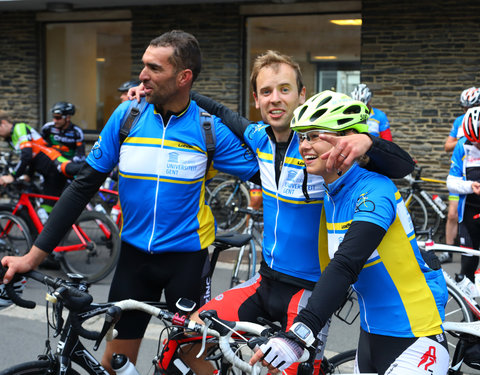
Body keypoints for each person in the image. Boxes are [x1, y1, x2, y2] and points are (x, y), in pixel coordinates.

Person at [127, 51, 415, 374]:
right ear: (256, 99)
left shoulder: (321, 150)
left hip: (309, 292)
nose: (275, 99)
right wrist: (160, 90)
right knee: (189, 335)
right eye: (266, 92)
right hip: (264, 282)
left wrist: (367, 141)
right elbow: (221, 110)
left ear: (302, 95)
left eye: (284, 89)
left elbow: (401, 167)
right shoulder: (258, 137)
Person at [1, 30, 260, 375]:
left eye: (154, 68)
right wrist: (34, 255)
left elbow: (268, 172)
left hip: (187, 259)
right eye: (143, 66)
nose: (142, 75)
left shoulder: (208, 129)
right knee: (115, 364)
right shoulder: (127, 118)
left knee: (189, 358)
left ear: (183, 77)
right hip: (134, 259)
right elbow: (82, 187)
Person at [250, 90, 449, 375]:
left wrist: (300, 333)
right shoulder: (331, 193)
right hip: (370, 336)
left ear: (348, 140)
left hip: (415, 337)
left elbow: (346, 263)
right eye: (302, 136)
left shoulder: (374, 190)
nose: (304, 145)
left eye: (315, 135)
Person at [0, 110, 83, 201]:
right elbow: (31, 158)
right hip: (47, 173)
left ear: (3, 123)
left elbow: (26, 155)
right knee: (48, 206)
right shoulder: (11, 139)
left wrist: (12, 176)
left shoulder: (19, 128)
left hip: (53, 160)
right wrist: (29, 175)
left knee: (76, 170)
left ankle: (99, 170)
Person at [440, 87, 480, 264]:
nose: (468, 111)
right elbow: (447, 146)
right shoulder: (459, 122)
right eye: (465, 108)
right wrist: (464, 137)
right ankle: (450, 250)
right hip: (462, 175)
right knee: (453, 214)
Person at [446, 107, 480, 283]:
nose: (478, 146)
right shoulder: (462, 146)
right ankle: (470, 307)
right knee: (468, 262)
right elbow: (451, 182)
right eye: (475, 142)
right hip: (469, 212)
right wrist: (470, 185)